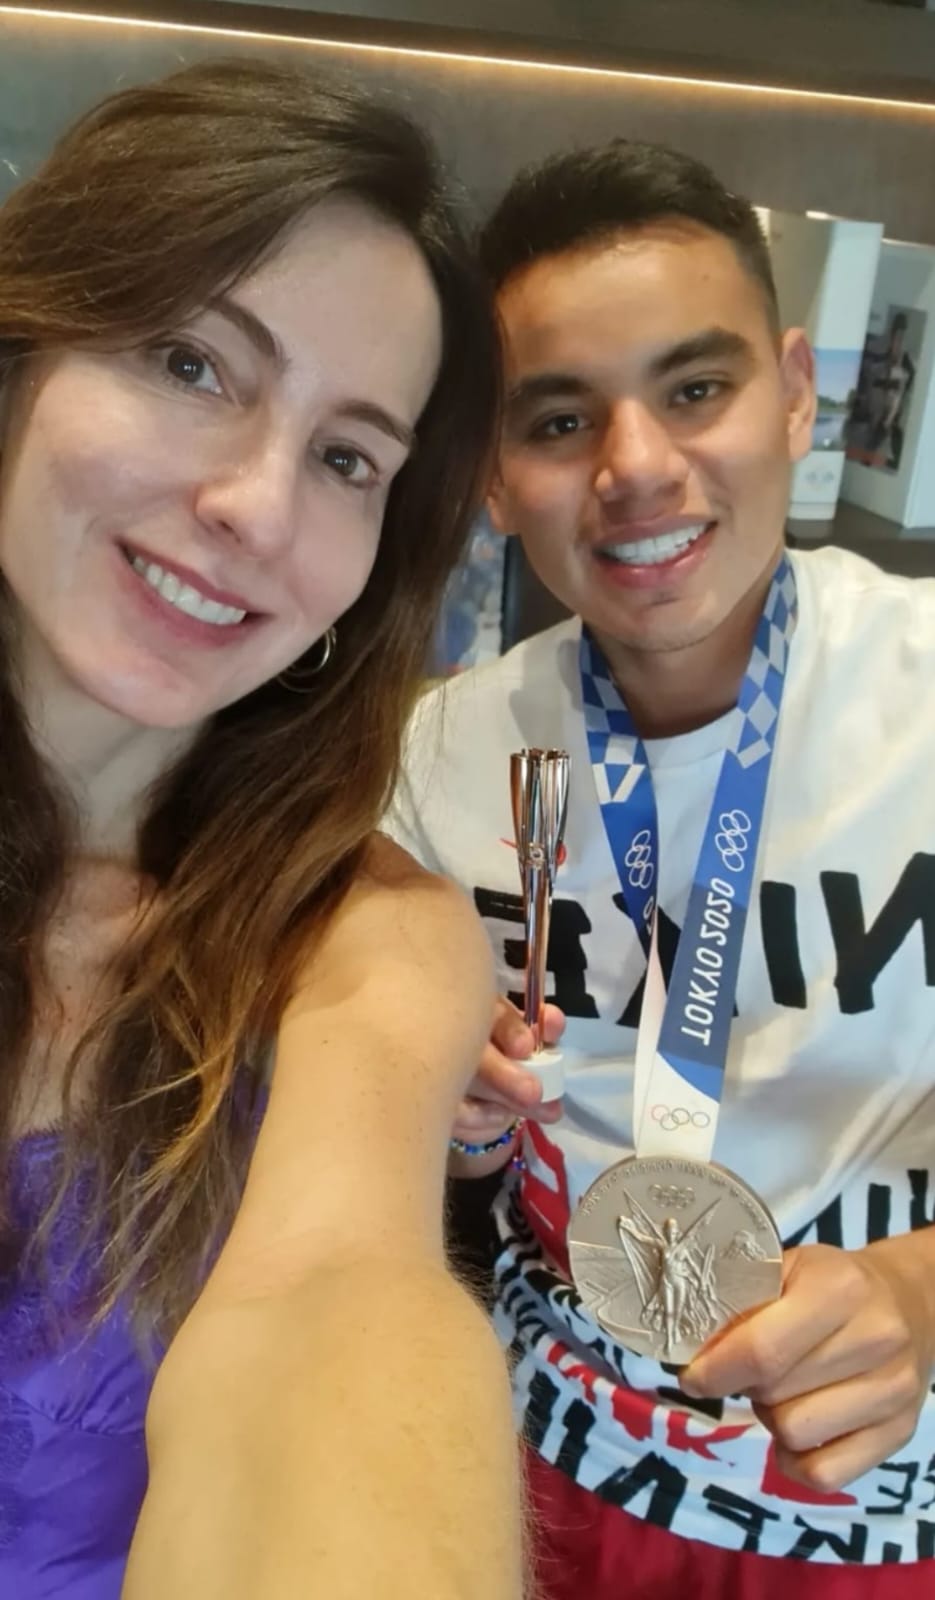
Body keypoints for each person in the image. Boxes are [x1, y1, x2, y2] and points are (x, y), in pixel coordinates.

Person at [0, 58, 526, 1600]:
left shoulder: (362, 941)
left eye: (347, 457)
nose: (258, 505)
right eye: (191, 361)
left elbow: (340, 1300)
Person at [387, 137, 935, 1597]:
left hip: (873, 1500)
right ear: (492, 477)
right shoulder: (441, 761)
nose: (634, 467)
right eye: (561, 420)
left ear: (798, 392)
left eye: (696, 390)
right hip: (539, 1456)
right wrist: (452, 1121)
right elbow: (442, 1179)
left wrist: (921, 1287)